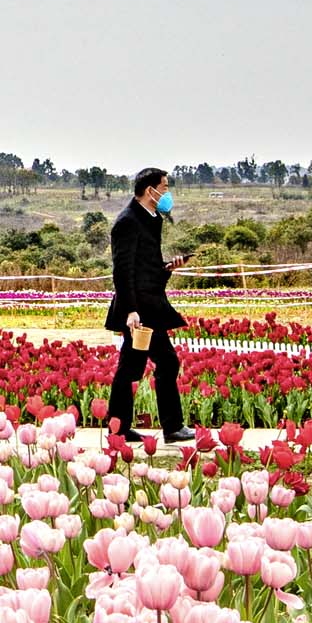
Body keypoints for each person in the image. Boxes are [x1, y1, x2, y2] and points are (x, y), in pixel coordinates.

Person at [104, 167, 196, 446]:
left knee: (131, 368)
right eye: (164, 188)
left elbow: (146, 266)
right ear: (149, 191)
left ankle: (119, 428)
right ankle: (171, 427)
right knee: (164, 362)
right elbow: (123, 270)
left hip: (150, 305)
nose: (167, 194)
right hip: (140, 312)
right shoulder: (128, 222)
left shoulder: (151, 218)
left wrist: (167, 267)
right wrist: (130, 311)